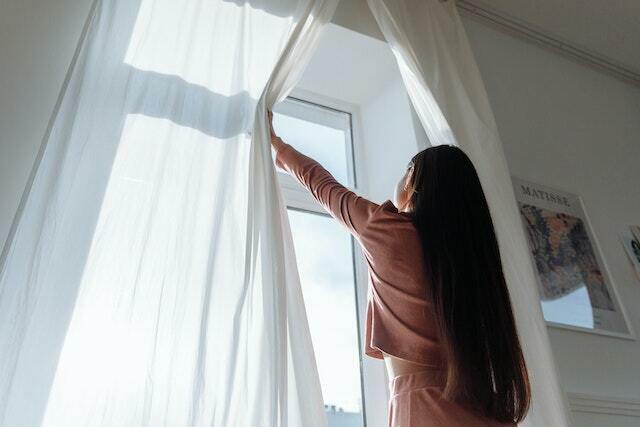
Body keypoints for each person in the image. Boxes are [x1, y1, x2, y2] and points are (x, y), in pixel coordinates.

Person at [268, 112, 530, 427]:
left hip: (422, 408)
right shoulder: (474, 262)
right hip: (482, 407)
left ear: (411, 179)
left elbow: (323, 185)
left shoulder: (388, 231)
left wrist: (276, 144)